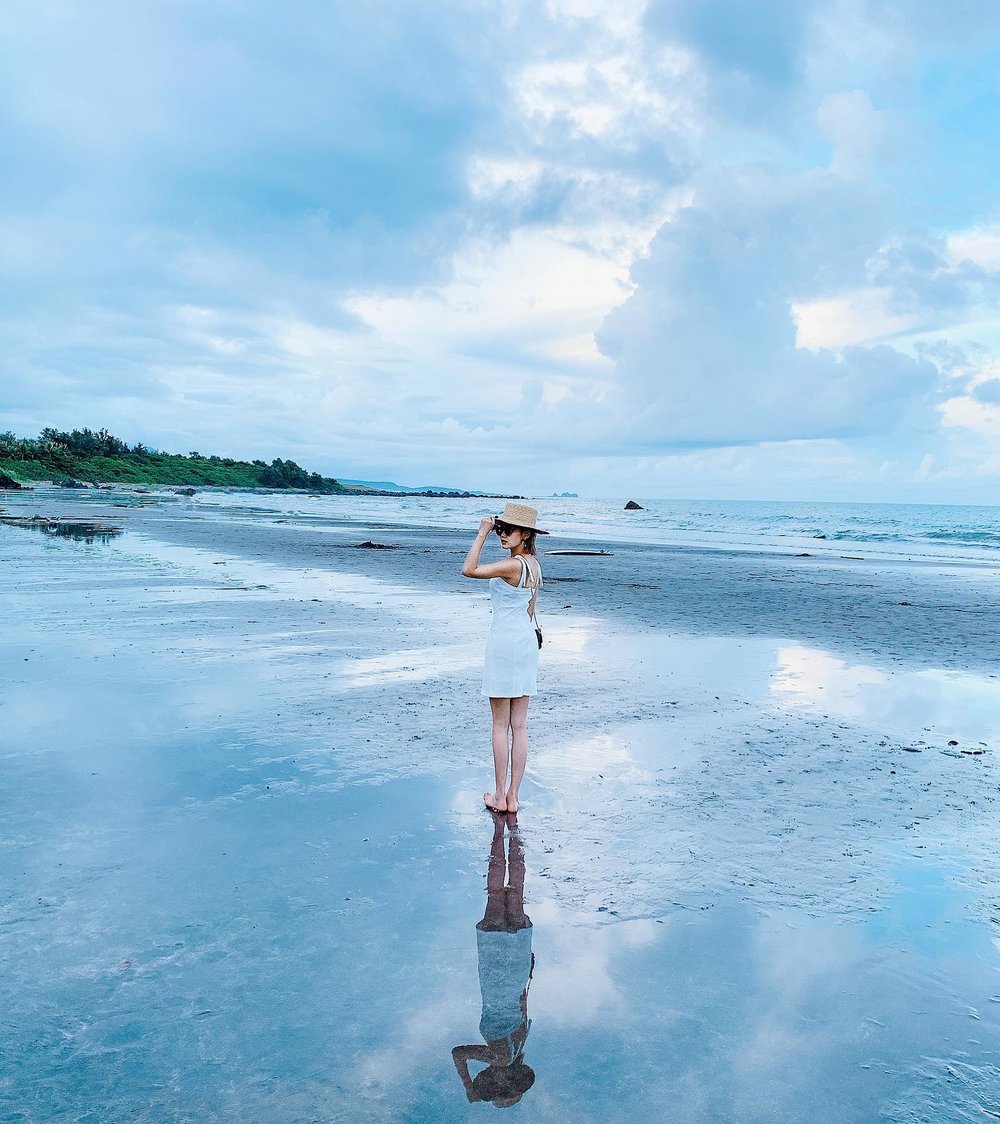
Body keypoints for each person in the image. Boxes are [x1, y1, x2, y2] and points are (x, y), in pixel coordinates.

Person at [462, 502, 547, 814]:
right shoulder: (534, 566)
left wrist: (481, 534)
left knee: (501, 725)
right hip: (524, 643)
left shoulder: (512, 566)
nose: (502, 534)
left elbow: (468, 569)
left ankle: (500, 796)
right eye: (499, 529)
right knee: (520, 726)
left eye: (507, 530)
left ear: (525, 534)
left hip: (504, 643)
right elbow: (530, 609)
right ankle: (513, 796)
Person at [452, 813, 535, 1108]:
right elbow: (458, 1054)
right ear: (505, 1078)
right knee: (496, 893)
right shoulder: (500, 1056)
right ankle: (500, 829)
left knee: (516, 892)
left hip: (515, 968)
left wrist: (525, 968)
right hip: (494, 967)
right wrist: (468, 1086)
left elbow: (524, 1001)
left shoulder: (519, 1043)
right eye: (492, 1084)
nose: (487, 1078)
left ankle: (511, 828)